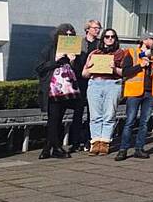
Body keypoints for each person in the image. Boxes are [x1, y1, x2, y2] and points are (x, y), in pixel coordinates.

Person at [115, 31, 153, 161]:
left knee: (144, 123)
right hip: (134, 92)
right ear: (144, 40)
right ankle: (123, 149)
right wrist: (141, 66)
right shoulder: (132, 53)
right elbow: (125, 72)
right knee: (129, 121)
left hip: (150, 93)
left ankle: (139, 149)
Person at [35, 24, 82, 159]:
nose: (68, 38)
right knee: (53, 118)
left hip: (67, 89)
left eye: (70, 35)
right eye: (65, 35)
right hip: (53, 89)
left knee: (58, 118)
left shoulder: (74, 51)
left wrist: (73, 61)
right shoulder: (50, 48)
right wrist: (55, 59)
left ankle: (48, 148)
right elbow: (39, 67)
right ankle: (56, 147)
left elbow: (78, 71)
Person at [81, 28, 127, 156]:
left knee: (109, 115)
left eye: (112, 36)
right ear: (103, 39)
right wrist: (89, 67)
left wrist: (114, 69)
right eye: (107, 36)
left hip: (112, 84)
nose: (110, 39)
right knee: (95, 115)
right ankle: (95, 142)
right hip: (95, 83)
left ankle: (105, 143)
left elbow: (125, 73)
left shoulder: (121, 53)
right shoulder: (95, 53)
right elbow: (84, 74)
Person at [70, 19, 102, 152]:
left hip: (94, 80)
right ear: (87, 29)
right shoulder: (80, 43)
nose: (97, 30)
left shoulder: (100, 44)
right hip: (80, 81)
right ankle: (75, 142)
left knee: (92, 113)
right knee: (78, 112)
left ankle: (89, 140)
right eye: (95, 28)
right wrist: (72, 60)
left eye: (99, 28)